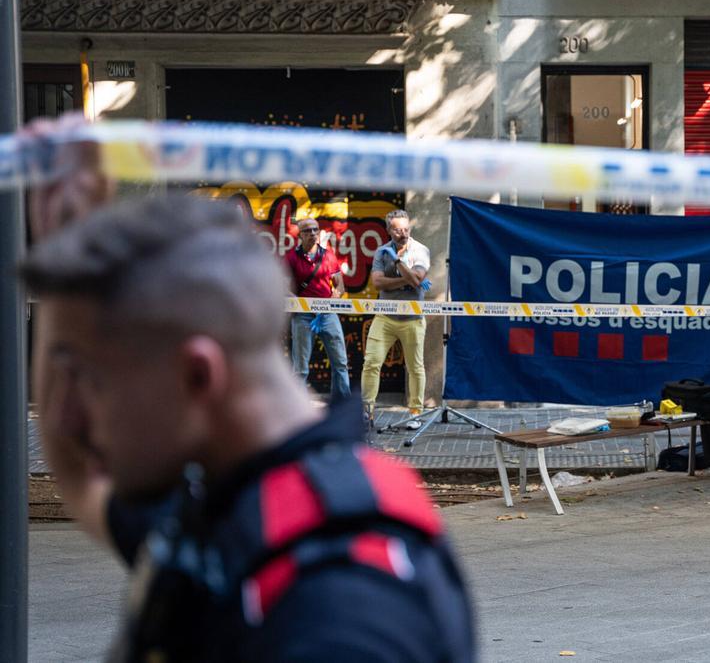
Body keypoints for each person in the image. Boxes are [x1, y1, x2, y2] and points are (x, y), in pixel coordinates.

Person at [23, 128, 475, 659]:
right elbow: (79, 469)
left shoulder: (337, 605)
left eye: (100, 385)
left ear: (197, 377)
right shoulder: (230, 503)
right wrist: (64, 250)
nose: (79, 416)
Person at [361, 209, 431, 431]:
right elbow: (378, 283)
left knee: (415, 367)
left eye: (406, 229)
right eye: (398, 229)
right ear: (388, 230)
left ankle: (414, 412)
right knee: (371, 363)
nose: (403, 233)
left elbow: (418, 279)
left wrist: (398, 263)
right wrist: (407, 280)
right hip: (385, 316)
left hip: (412, 318)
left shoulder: (421, 250)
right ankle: (367, 412)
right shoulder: (381, 252)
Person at [284, 217, 352, 403]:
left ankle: (342, 405)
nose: (313, 233)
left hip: (328, 315)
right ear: (300, 235)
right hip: (303, 316)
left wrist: (327, 307)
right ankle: (294, 407)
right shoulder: (291, 257)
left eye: (315, 229)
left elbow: (340, 287)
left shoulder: (328, 255)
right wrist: (298, 303)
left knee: (340, 363)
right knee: (301, 367)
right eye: (308, 230)